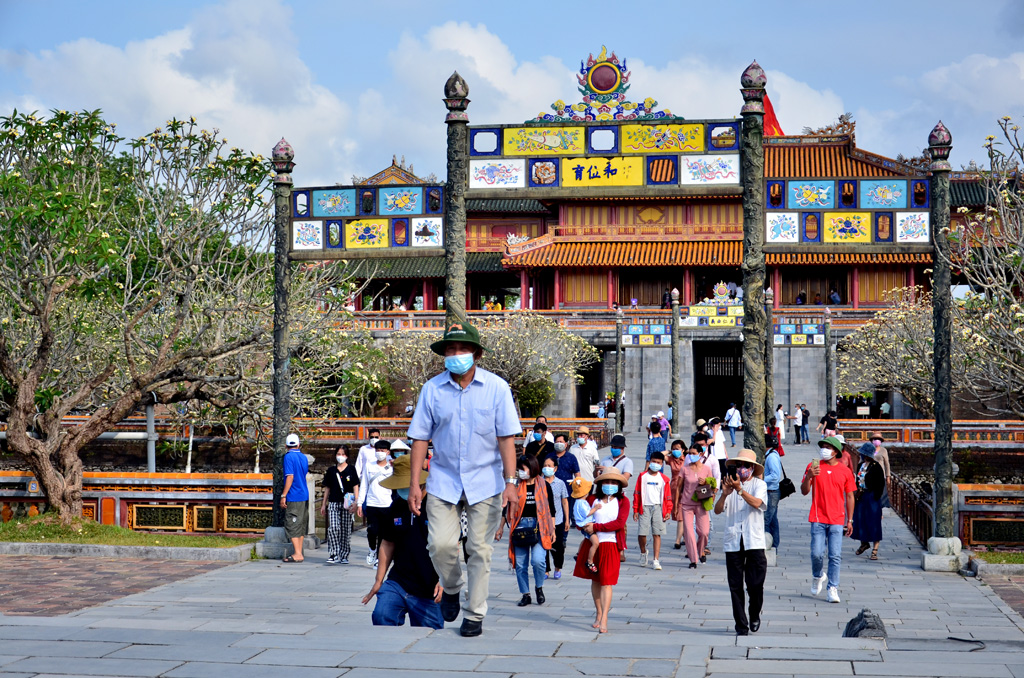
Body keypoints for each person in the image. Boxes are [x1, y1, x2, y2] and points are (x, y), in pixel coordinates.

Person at [407, 321, 521, 637]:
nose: (456, 355)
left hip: (485, 481)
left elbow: (506, 439)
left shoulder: (497, 388)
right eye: (450, 350)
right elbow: (419, 438)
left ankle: (474, 615)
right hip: (443, 480)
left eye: (462, 349)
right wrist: (415, 484)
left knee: (480, 549)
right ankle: (453, 586)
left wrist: (511, 483)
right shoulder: (431, 390)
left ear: (477, 353)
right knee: (440, 545)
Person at [361, 456, 443, 628]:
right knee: (381, 615)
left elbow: (451, 547)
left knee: (430, 638)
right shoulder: (397, 505)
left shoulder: (437, 506)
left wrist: (445, 580)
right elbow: (387, 543)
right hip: (398, 581)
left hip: (429, 586)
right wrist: (378, 580)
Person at [714, 448, 768, 636]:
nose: (741, 469)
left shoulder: (759, 484)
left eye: (745, 466)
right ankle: (741, 625)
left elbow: (757, 503)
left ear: (752, 468)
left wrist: (740, 490)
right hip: (734, 541)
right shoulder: (728, 486)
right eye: (739, 465)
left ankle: (754, 614)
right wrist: (725, 494)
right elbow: (718, 510)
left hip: (754, 541)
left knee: (755, 585)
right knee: (735, 585)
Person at [573, 469, 630, 634]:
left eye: (613, 482)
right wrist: (586, 527)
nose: (610, 485)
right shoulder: (591, 499)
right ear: (600, 484)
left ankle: (604, 616)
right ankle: (598, 612)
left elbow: (619, 523)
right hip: (593, 544)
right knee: (596, 580)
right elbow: (579, 519)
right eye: (606, 482)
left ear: (619, 485)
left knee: (607, 581)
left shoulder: (623, 501)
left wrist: (596, 527)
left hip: (610, 544)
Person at [801, 436, 856, 604]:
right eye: (823, 446)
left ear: (836, 452)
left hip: (837, 518)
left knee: (835, 555)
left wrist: (850, 520)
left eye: (828, 447)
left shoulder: (845, 471)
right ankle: (818, 575)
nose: (824, 449)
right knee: (816, 553)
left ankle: (832, 587)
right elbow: (804, 491)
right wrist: (809, 477)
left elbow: (850, 496)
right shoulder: (814, 466)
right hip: (818, 516)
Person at [495, 455, 555, 607]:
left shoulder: (544, 485)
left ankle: (539, 587)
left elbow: (551, 510)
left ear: (532, 467)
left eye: (523, 468)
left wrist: (552, 529)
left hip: (539, 526)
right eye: (519, 469)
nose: (520, 472)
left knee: (538, 561)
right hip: (520, 526)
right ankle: (525, 594)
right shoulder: (514, 486)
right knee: (521, 564)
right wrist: (501, 527)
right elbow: (507, 509)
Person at [632, 451, 673, 570]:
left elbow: (668, 497)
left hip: (658, 507)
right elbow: (637, 493)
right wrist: (635, 509)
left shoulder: (664, 479)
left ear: (662, 464)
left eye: (658, 462)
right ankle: (643, 552)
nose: (655, 464)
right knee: (642, 533)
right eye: (653, 462)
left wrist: (668, 511)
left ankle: (656, 559)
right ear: (650, 462)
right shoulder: (642, 476)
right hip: (644, 507)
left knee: (657, 534)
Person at [321, 446, 360, 565]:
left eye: (343, 454)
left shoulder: (351, 470)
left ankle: (344, 554)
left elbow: (355, 486)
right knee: (333, 528)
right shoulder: (331, 470)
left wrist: (356, 502)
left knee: (345, 530)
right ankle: (333, 553)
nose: (340, 456)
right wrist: (323, 504)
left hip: (347, 504)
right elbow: (327, 488)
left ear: (347, 456)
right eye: (338, 454)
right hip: (333, 502)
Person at [677, 444, 714, 568]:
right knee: (688, 532)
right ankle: (693, 559)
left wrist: (706, 482)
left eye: (694, 453)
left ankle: (701, 550)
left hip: (701, 504)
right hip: (687, 504)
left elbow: (713, 484)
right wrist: (677, 504)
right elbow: (678, 487)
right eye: (690, 453)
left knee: (704, 532)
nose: (691, 456)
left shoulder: (707, 468)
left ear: (700, 454)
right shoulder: (685, 469)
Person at [598, 434, 633, 561]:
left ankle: (621, 550)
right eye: (613, 446)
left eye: (617, 447)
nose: (614, 449)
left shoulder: (627, 461)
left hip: (618, 495)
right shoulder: (605, 459)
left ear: (622, 448)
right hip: (604, 495)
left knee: (620, 524)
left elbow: (625, 477)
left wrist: (608, 470)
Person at [362, 439, 394, 567]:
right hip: (371, 503)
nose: (380, 453)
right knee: (372, 530)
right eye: (377, 450)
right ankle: (372, 550)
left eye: (382, 450)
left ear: (387, 452)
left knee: (383, 532)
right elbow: (364, 485)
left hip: (386, 503)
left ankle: (379, 559)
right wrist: (360, 503)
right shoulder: (369, 465)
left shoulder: (391, 467)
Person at [852, 442, 886, 561]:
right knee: (861, 520)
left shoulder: (876, 467)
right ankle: (864, 542)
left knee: (874, 522)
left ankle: (875, 549)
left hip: (872, 496)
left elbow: (881, 484)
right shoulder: (861, 465)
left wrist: (877, 497)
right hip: (862, 495)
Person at [280, 433, 309, 563]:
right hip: (304, 493)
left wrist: (283, 494)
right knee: (301, 524)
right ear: (298, 444)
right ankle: (299, 550)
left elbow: (290, 476)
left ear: (286, 446)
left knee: (292, 524)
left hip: (294, 494)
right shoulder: (303, 457)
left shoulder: (288, 457)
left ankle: (297, 553)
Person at [542, 456, 570, 580]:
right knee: (543, 547)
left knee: (558, 547)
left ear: (555, 468)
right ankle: (546, 570)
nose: (546, 468)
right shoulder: (539, 482)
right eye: (545, 465)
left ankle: (557, 568)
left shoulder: (560, 483)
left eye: (549, 466)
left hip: (557, 520)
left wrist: (567, 519)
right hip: (542, 521)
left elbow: (564, 501)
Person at [569, 477, 603, 572]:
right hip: (587, 525)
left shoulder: (577, 502)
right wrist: (595, 508)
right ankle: (590, 561)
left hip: (584, 525)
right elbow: (587, 513)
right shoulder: (582, 503)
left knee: (585, 540)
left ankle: (579, 553)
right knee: (595, 543)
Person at [666, 439, 687, 550]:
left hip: (684, 487)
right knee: (677, 512)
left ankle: (677, 541)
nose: (675, 451)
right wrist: (669, 451)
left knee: (680, 514)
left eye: (677, 448)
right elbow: (659, 455)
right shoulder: (671, 459)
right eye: (674, 448)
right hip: (673, 487)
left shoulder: (687, 459)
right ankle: (685, 536)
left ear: (683, 449)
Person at [762, 434, 783, 550]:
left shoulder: (771, 457)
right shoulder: (771, 455)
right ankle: (774, 544)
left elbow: (775, 476)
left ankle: (767, 544)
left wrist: (761, 479)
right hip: (770, 491)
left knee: (766, 519)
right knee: (773, 520)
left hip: (772, 491)